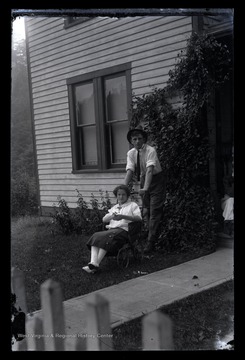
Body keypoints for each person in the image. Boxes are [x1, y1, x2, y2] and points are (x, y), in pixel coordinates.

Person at [124, 124, 166, 253]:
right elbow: (130, 170)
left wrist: (146, 188)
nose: (137, 141)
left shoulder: (150, 150)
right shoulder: (131, 153)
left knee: (154, 211)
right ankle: (146, 233)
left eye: (140, 139)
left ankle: (150, 242)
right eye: (134, 139)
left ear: (144, 139)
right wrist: (123, 187)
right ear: (131, 141)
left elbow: (149, 170)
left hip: (156, 179)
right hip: (144, 179)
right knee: (145, 211)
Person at [82, 184, 142, 274]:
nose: (121, 197)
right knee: (97, 235)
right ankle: (94, 263)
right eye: (119, 195)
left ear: (127, 195)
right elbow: (104, 219)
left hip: (124, 231)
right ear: (116, 196)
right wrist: (112, 215)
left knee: (108, 236)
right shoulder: (115, 208)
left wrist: (123, 216)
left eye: (123, 194)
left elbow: (139, 218)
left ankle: (94, 265)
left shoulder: (132, 205)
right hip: (112, 231)